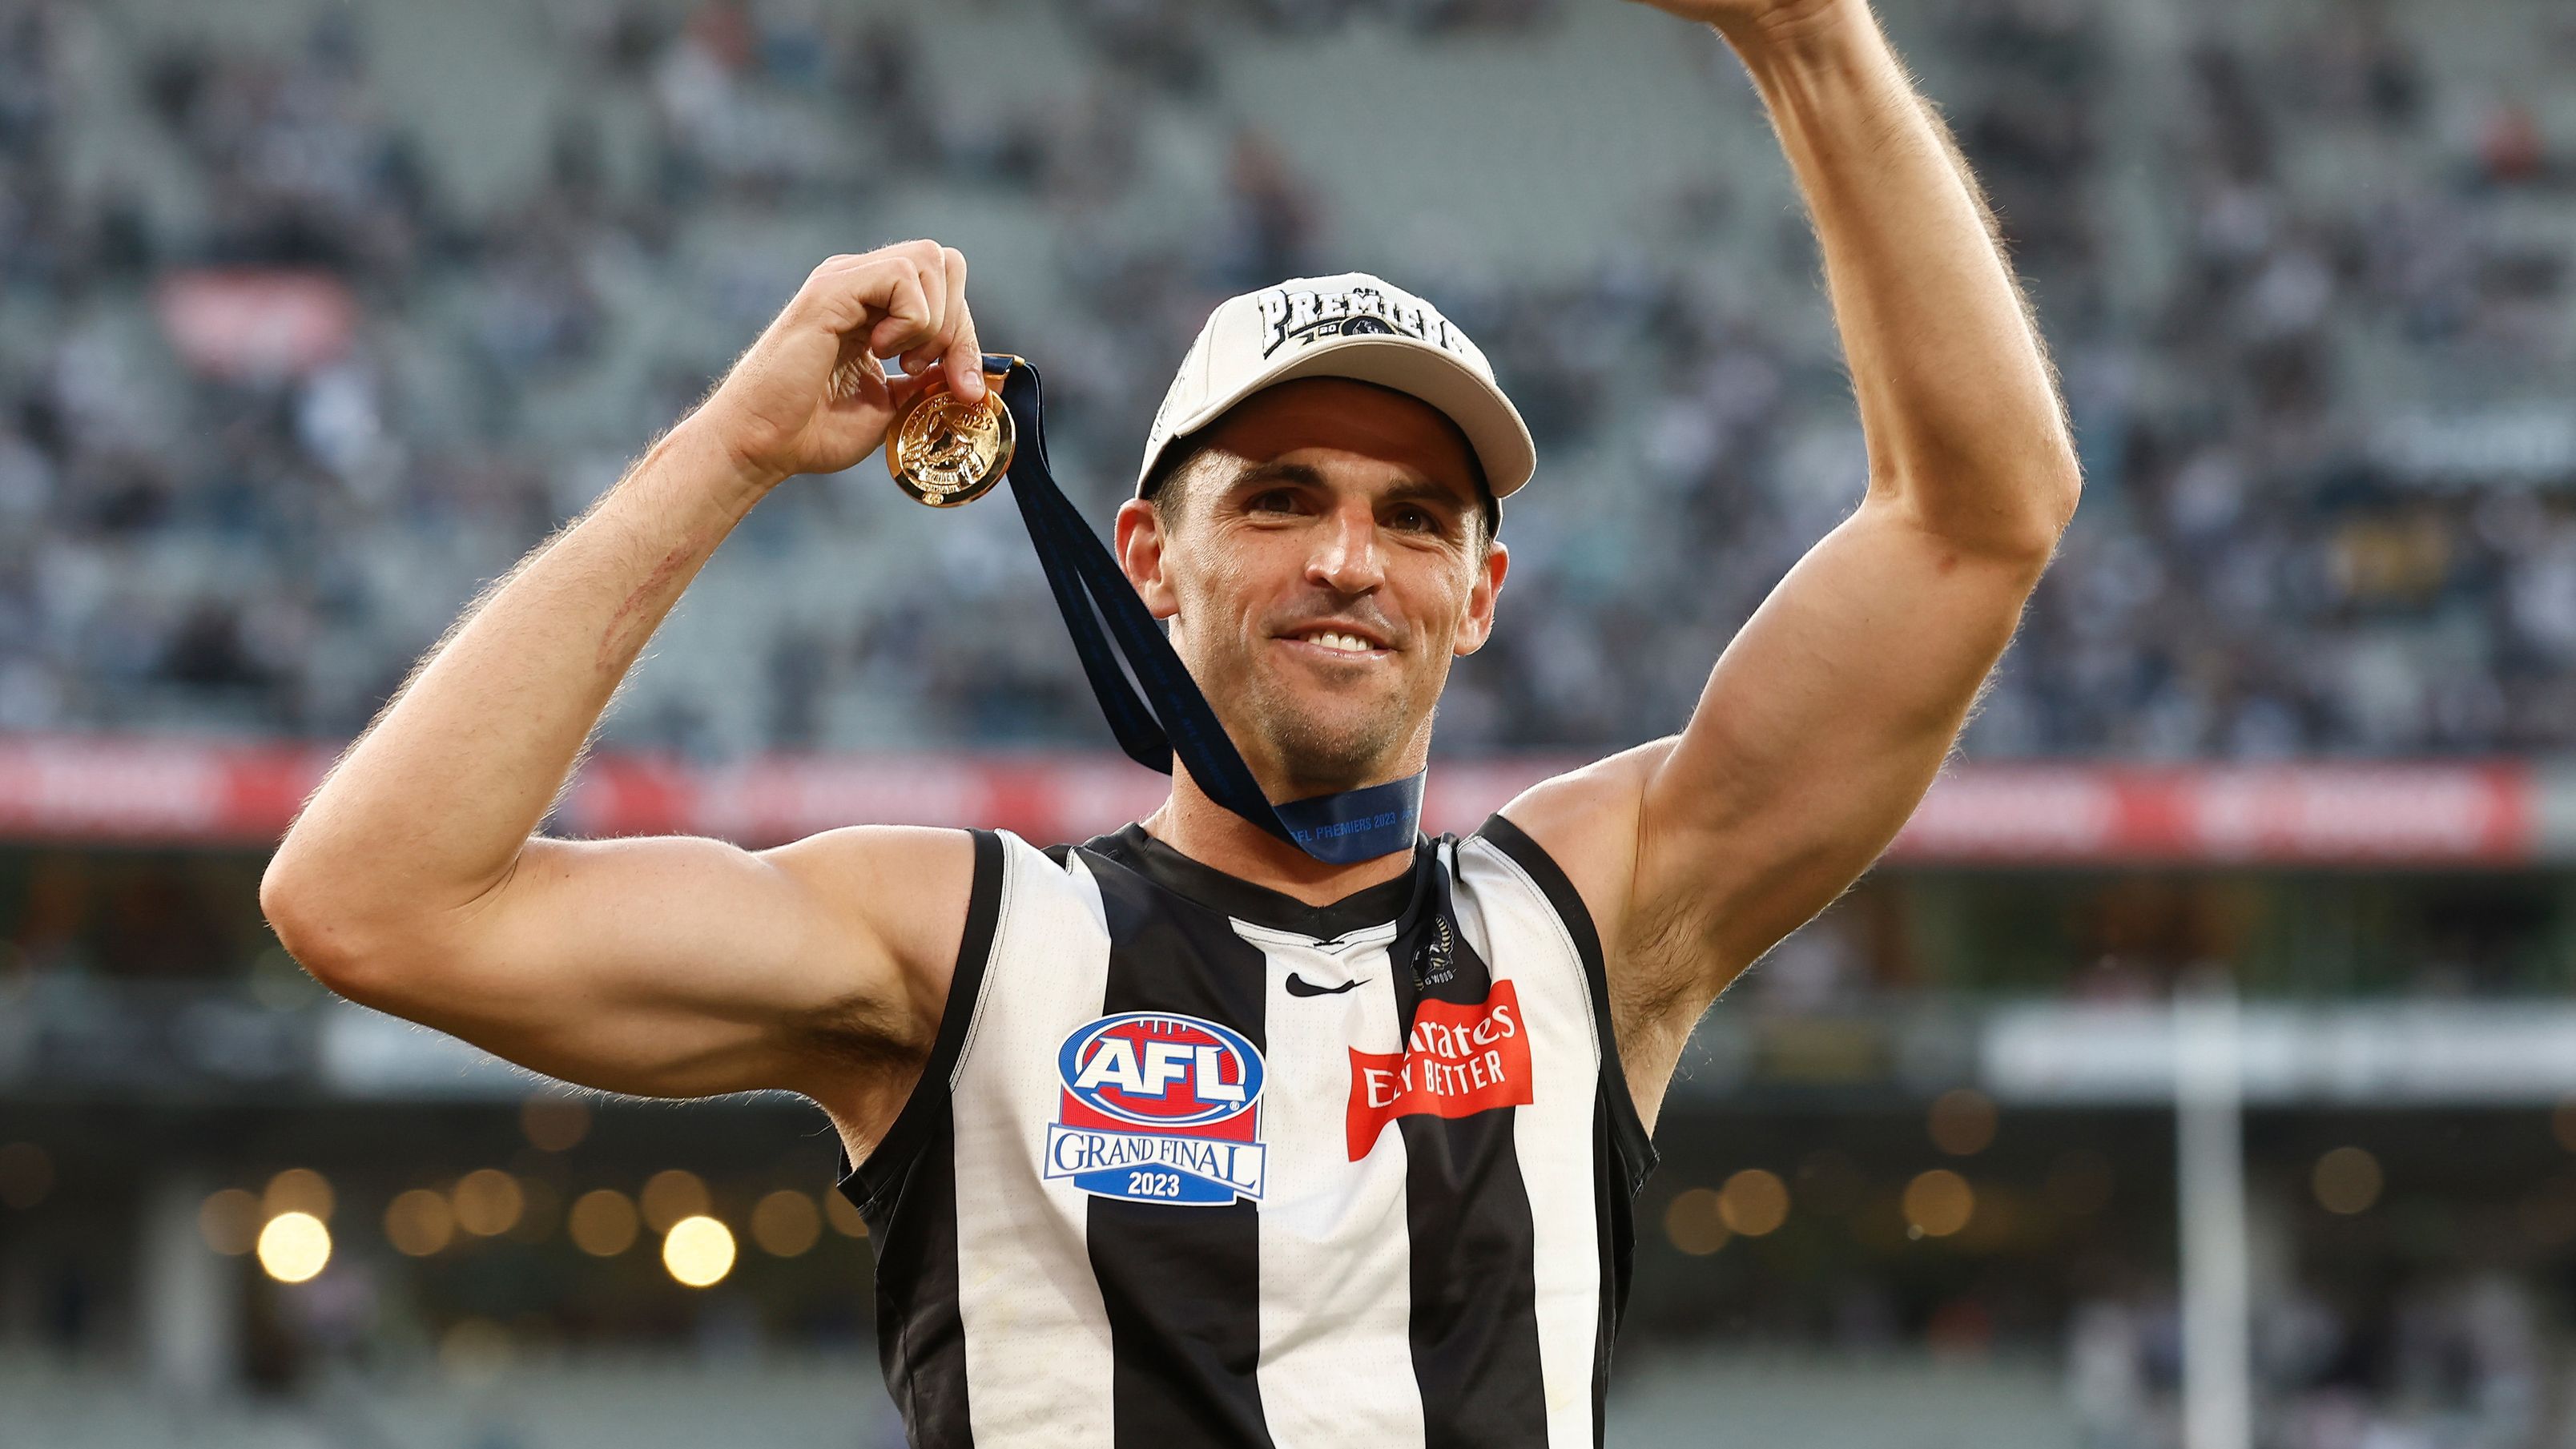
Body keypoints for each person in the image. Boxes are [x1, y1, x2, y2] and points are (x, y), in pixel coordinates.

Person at [260, 0, 2079, 1442]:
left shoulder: (1592, 915)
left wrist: (1810, 32)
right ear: (1149, 554)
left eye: (1418, 517)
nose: (1352, 558)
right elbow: (378, 901)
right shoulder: (960, 943)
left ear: (1482, 594)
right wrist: (728, 451)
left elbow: (1978, 521)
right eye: (1280, 497)